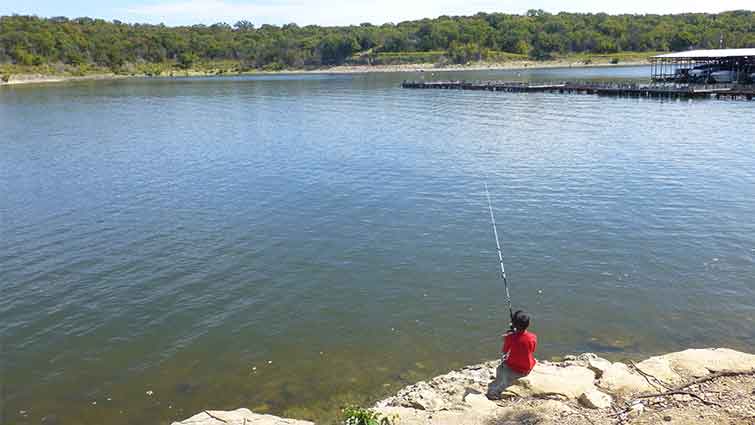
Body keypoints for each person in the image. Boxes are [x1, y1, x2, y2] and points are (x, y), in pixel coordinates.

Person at [486, 310, 537, 400]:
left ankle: (497, 389)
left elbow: (504, 351)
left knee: (501, 367)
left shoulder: (509, 337)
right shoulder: (533, 337)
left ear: (513, 324)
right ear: (528, 324)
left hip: (513, 368)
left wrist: (507, 337)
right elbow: (532, 350)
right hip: (527, 367)